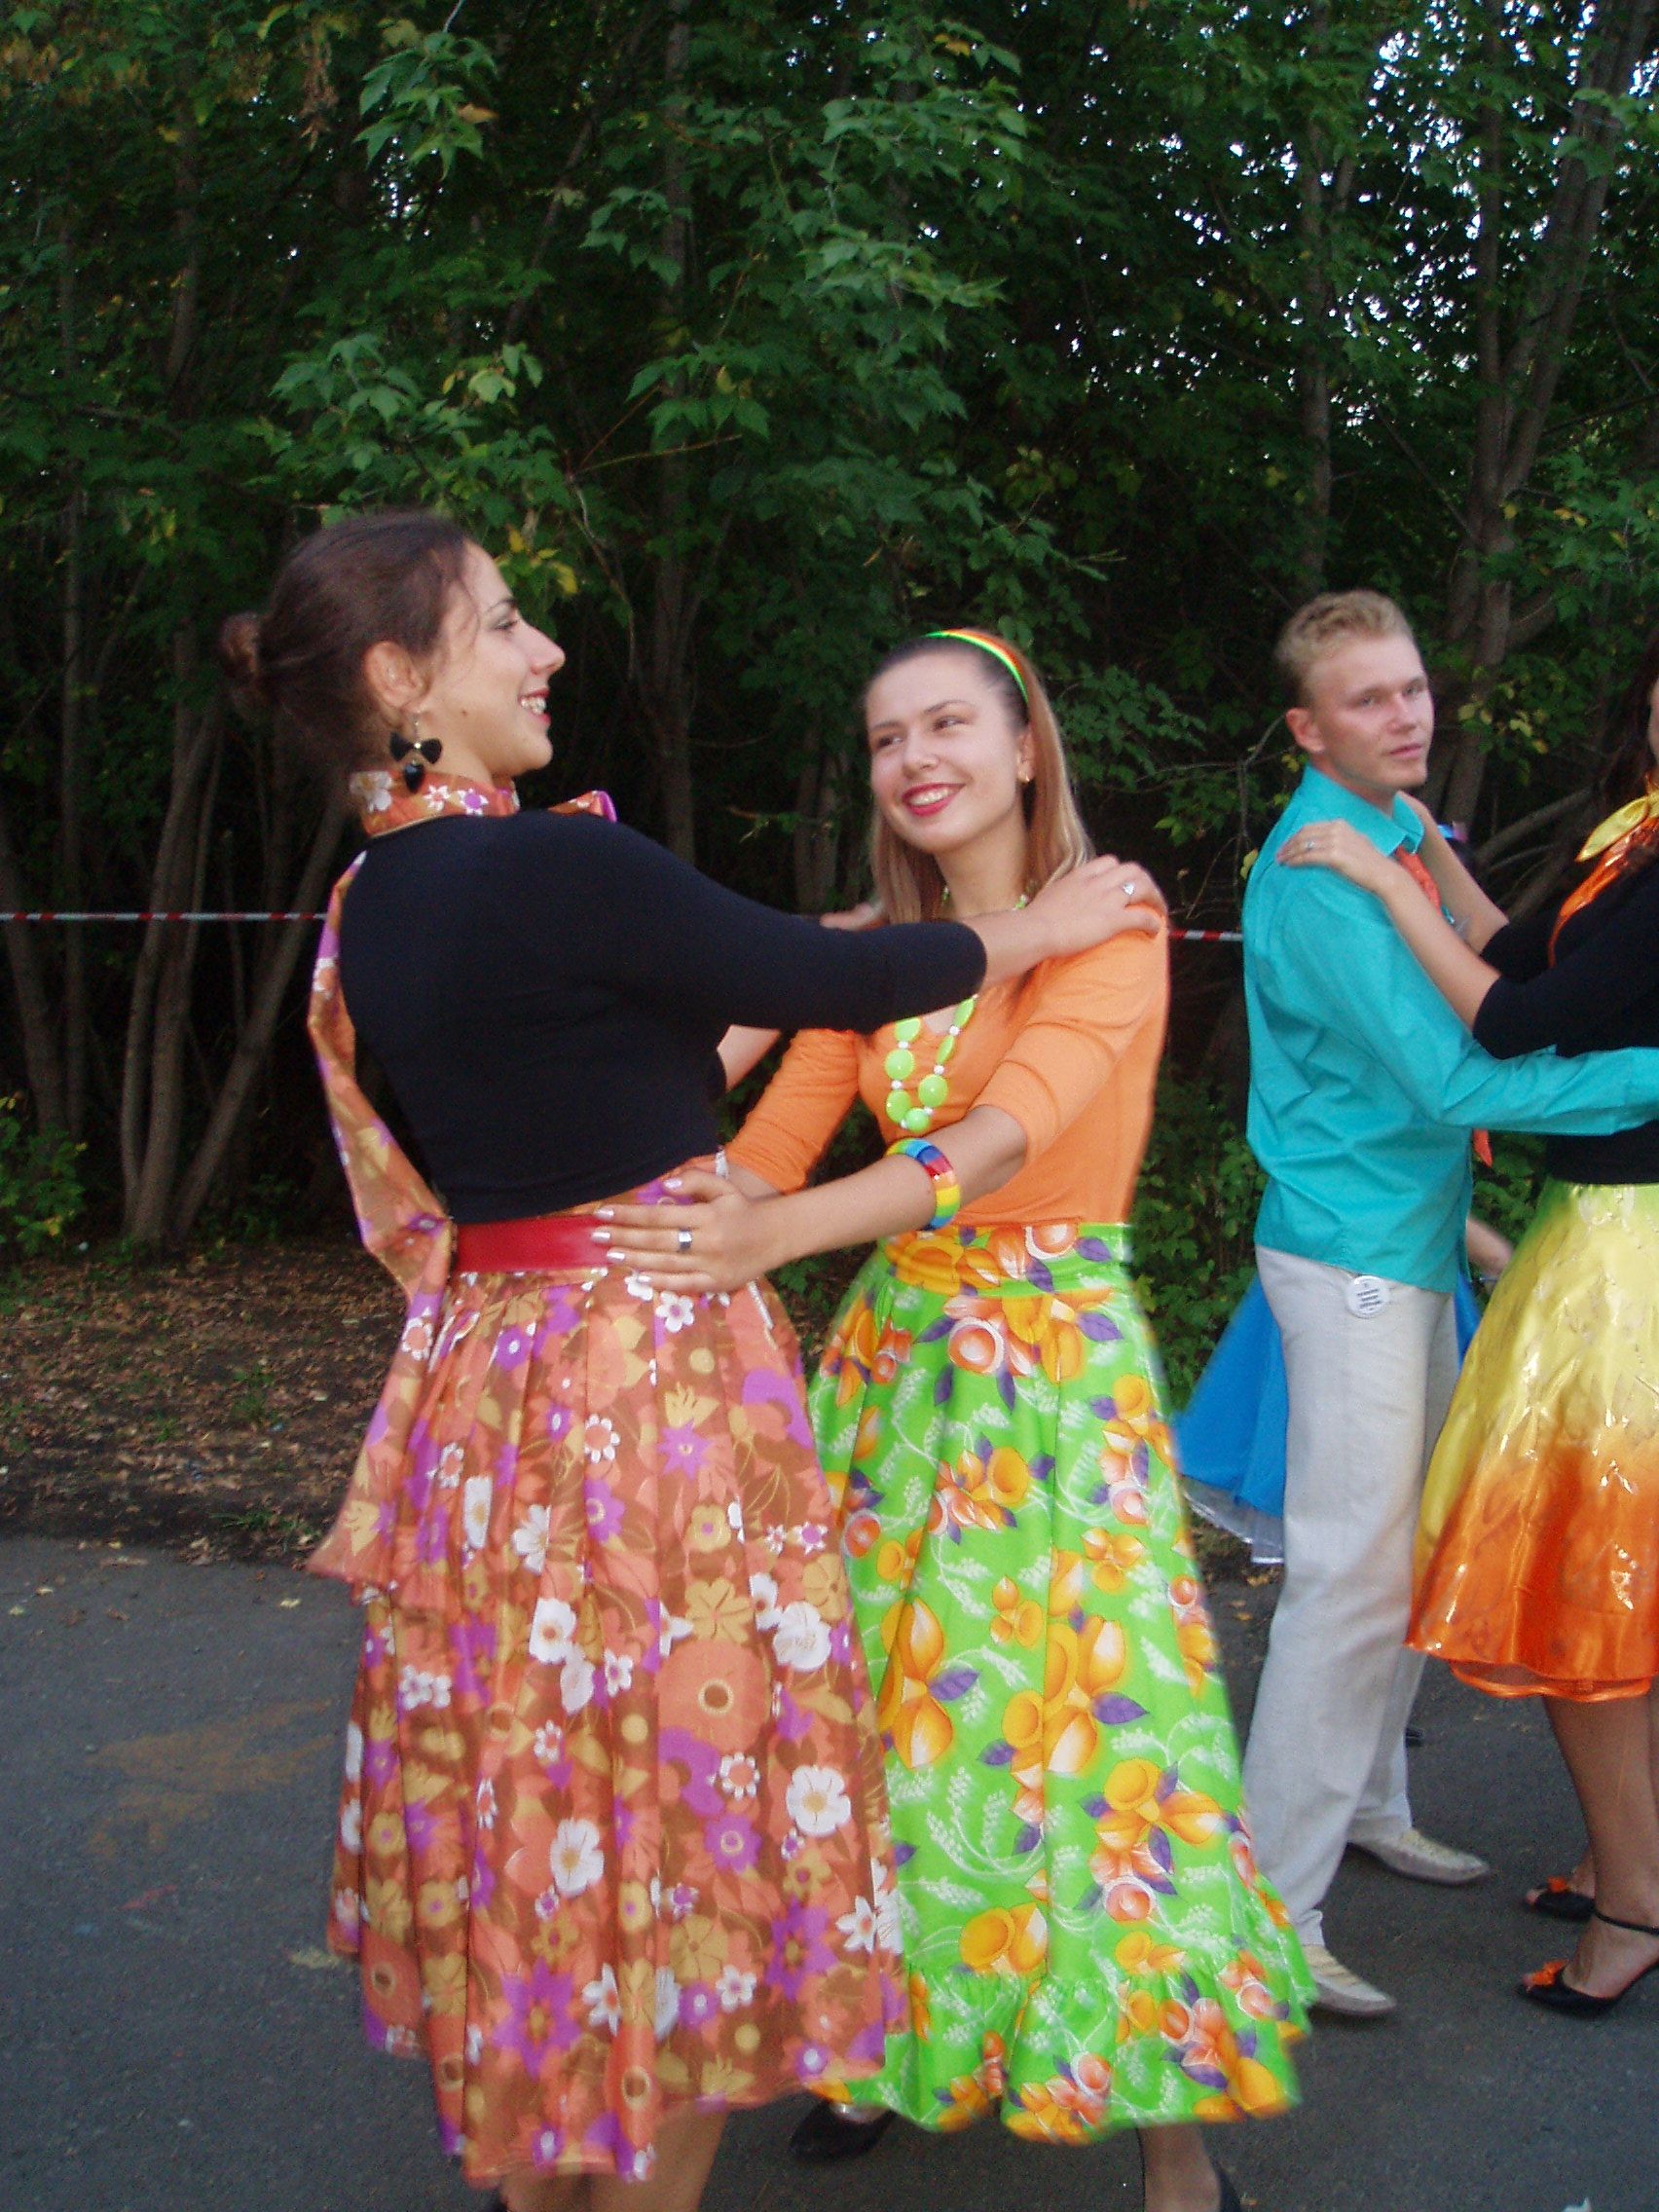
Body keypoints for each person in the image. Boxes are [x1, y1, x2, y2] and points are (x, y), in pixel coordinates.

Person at [216, 513, 1161, 2212]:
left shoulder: (373, 906)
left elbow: (611, 1078)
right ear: (402, 679)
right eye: (506, 622)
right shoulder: (554, 866)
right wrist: (1044, 925)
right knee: (685, 1821)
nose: (545, 652)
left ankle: (540, 2159)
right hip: (645, 1391)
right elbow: (831, 973)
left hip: (493, 1397)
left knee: (546, 1797)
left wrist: (758, 1011)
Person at [601, 629, 1309, 2212]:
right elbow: (766, 1150)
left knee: (1092, 1739)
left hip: (1046, 1376)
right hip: (891, 1374)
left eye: (945, 725)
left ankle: (1176, 2153)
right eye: (883, 737)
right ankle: (874, 2042)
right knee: (856, 1716)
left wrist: (771, 1238)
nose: (913, 758)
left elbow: (999, 1139)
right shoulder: (882, 957)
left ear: (1023, 745)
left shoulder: (1110, 921)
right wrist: (646, 1214)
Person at [1240, 588, 1659, 2021]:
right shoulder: (1321, 874)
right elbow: (1459, 1077)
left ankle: (1367, 1805)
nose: (1405, 714)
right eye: (1367, 699)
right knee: (1348, 1580)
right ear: (1308, 728)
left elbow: (1506, 955)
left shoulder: (1401, 831)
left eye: (1413, 687)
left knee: (1390, 1556)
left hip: (1404, 1241)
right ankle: (1272, 1912)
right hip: (1350, 1255)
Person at [1178, 1222, 1507, 1567]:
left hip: (1366, 1260)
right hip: (1369, 1272)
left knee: (1373, 1494)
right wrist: (1491, 1253)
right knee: (1371, 1491)